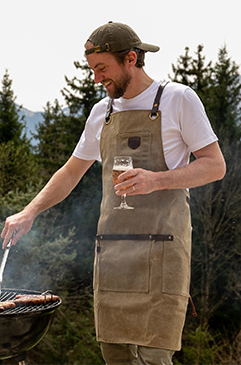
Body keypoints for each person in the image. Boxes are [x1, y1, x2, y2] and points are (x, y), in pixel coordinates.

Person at [1, 21, 226, 365]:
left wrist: (155, 180)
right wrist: (29, 212)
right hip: (113, 255)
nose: (96, 78)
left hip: (161, 254)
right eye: (92, 70)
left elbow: (214, 165)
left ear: (131, 59)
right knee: (115, 356)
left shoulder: (178, 99)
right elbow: (71, 171)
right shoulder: (100, 113)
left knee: (154, 356)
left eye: (102, 68)